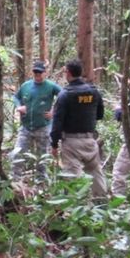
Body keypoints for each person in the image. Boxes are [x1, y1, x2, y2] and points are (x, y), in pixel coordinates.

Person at [49, 59, 107, 199]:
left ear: (68, 73)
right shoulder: (93, 91)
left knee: (71, 176)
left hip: (71, 142)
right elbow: (100, 115)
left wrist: (54, 144)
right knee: (95, 172)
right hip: (90, 140)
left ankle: (73, 209)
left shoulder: (65, 94)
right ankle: (102, 203)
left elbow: (57, 121)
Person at [11, 60, 62, 178]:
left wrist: (54, 111)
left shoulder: (51, 86)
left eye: (40, 73)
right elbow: (15, 97)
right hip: (26, 127)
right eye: (35, 73)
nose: (38, 76)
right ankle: (15, 180)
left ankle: (41, 182)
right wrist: (19, 107)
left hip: (43, 127)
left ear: (45, 73)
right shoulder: (26, 86)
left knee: (42, 158)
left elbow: (64, 96)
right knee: (17, 154)